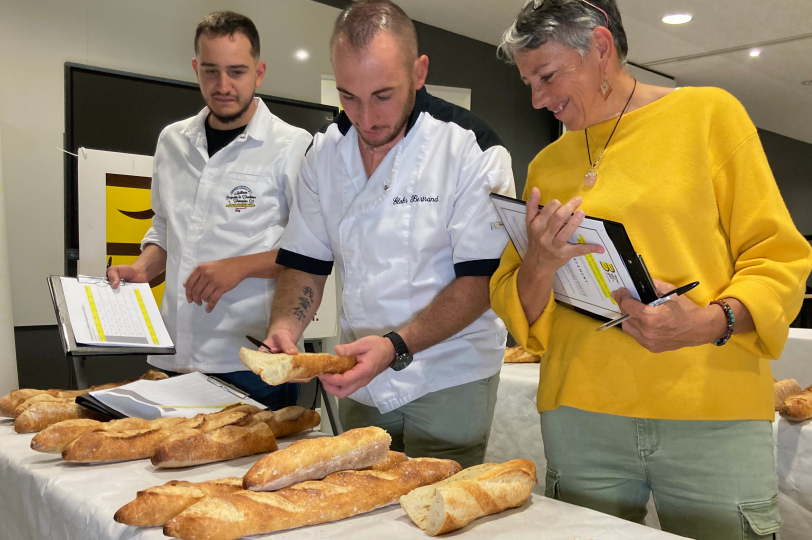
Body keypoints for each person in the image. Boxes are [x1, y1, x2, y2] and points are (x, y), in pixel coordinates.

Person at [491, 1, 812, 538]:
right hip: (580, 415)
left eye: (546, 76)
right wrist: (540, 266)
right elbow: (516, 302)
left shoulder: (709, 115)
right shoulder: (547, 165)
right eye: (529, 81)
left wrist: (707, 322)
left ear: (600, 48)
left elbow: (778, 258)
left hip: (711, 413)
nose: (537, 98)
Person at [261, 0, 515, 468]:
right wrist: (285, 328)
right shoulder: (324, 153)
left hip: (449, 372)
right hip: (361, 371)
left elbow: (483, 282)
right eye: (348, 96)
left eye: (382, 95)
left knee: (436, 508)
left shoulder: (468, 148)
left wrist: (396, 346)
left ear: (419, 72)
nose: (365, 117)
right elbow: (306, 263)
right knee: (360, 505)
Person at [107, 11, 311, 410]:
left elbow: (312, 251)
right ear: (196, 69)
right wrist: (143, 269)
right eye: (211, 72)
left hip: (252, 360)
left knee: (246, 473)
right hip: (173, 352)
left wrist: (240, 266)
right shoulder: (172, 141)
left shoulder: (292, 145)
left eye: (237, 71)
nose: (223, 86)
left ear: (260, 72)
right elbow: (164, 229)